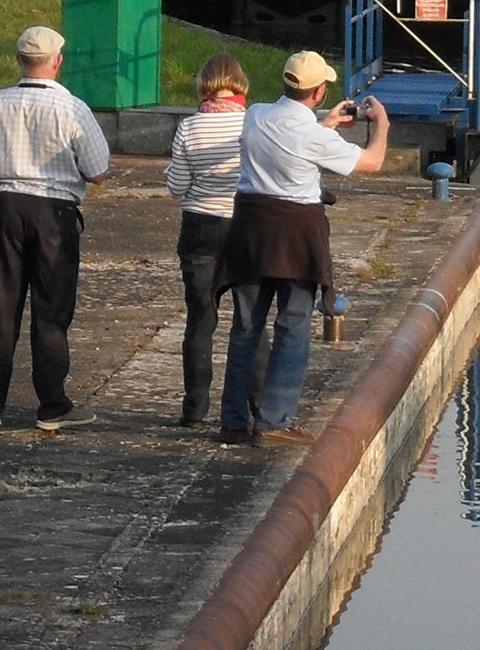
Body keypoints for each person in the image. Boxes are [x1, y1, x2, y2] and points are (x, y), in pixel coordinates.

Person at [217, 51, 388, 447]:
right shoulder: (315, 137)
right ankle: (273, 420)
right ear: (319, 91)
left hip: (250, 229)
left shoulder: (256, 115)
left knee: (246, 326)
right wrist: (381, 123)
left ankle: (233, 420)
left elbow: (288, 138)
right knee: (292, 325)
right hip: (296, 236)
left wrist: (325, 124)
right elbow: (373, 162)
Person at [0, 25, 110, 431]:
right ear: (57, 61)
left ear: (18, 60)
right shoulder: (72, 109)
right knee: (51, 310)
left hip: (6, 206)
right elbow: (98, 171)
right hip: (54, 211)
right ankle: (52, 404)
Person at [165, 52, 248, 428]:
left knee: (200, 320)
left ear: (204, 84)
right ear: (240, 83)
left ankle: (194, 408)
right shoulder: (251, 125)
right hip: (243, 226)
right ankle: (253, 406)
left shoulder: (189, 127)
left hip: (200, 227)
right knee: (250, 319)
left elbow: (177, 186)